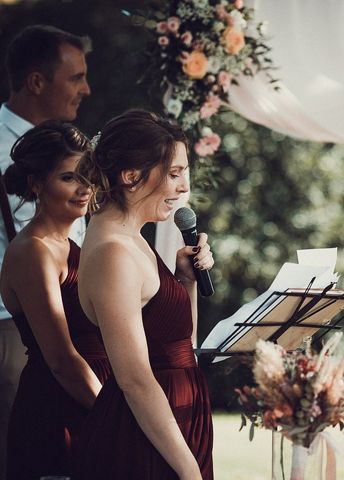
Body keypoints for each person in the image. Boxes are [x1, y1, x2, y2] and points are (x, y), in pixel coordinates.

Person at [74, 110, 214, 480]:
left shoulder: (133, 236)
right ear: (131, 175)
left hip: (175, 420)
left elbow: (179, 343)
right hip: (145, 439)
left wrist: (186, 282)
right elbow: (134, 379)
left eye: (184, 172)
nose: (184, 187)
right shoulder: (112, 253)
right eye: (173, 174)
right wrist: (189, 471)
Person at [0, 25, 91, 477]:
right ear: (37, 81)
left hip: (79, 324)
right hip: (17, 330)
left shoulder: (72, 150)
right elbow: (56, 357)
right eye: (75, 77)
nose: (86, 89)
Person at [0, 122, 111, 479]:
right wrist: (117, 419)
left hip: (88, 400)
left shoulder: (71, 244)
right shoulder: (32, 252)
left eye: (87, 176)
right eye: (69, 178)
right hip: (55, 413)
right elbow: (62, 360)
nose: (84, 189)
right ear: (36, 184)